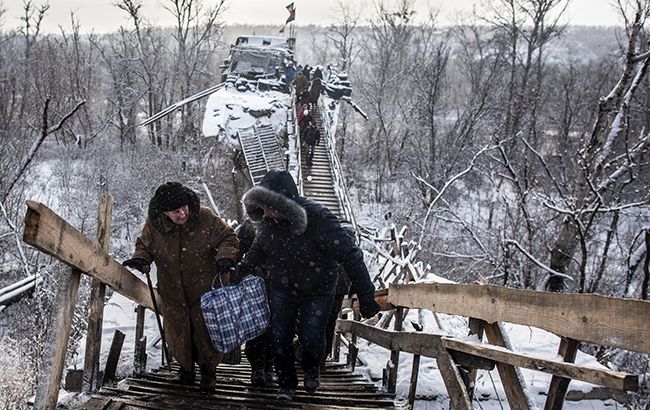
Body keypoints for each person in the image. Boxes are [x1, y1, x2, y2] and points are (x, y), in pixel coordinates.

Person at [235, 170, 380, 401]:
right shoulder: (267, 222)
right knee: (279, 337)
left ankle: (312, 367)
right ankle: (287, 385)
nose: (266, 214)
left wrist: (366, 294)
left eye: (269, 207)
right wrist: (239, 270)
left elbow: (350, 255)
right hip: (281, 288)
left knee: (311, 337)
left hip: (318, 290)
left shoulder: (319, 219)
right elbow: (259, 250)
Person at [122, 182, 239, 394]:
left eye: (184, 207)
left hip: (204, 290)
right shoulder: (154, 225)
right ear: (164, 212)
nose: (183, 213)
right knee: (178, 335)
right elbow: (144, 245)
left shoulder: (204, 217)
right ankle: (185, 370)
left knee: (205, 335)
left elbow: (228, 237)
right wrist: (141, 259)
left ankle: (208, 373)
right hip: (172, 292)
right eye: (176, 211)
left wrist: (225, 257)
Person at [236, 218, 274, 387]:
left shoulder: (284, 224)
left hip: (279, 284)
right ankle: (258, 367)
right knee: (258, 327)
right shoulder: (249, 226)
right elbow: (239, 251)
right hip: (255, 284)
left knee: (275, 329)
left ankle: (268, 366)